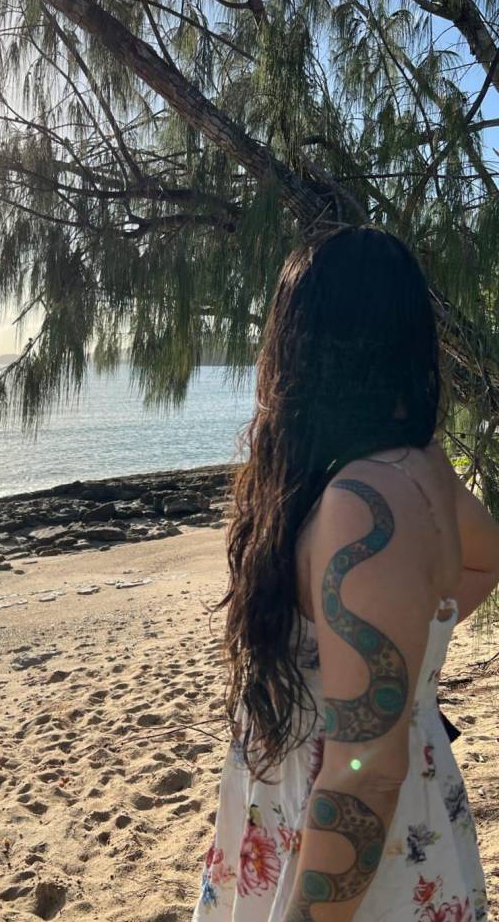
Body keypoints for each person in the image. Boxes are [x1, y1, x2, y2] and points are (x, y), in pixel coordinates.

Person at [192, 227, 499, 922]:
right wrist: (409, 658)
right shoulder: (420, 464)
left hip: (350, 864)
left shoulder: (363, 502)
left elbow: (370, 771)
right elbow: (485, 556)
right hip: (393, 823)